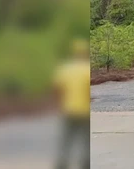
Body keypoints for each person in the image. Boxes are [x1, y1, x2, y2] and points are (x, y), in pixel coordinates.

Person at [54, 39, 90, 169]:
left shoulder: (65, 69)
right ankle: (85, 162)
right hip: (84, 110)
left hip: (68, 109)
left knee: (66, 138)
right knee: (85, 139)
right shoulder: (86, 70)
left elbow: (58, 89)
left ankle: (62, 162)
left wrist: (59, 105)